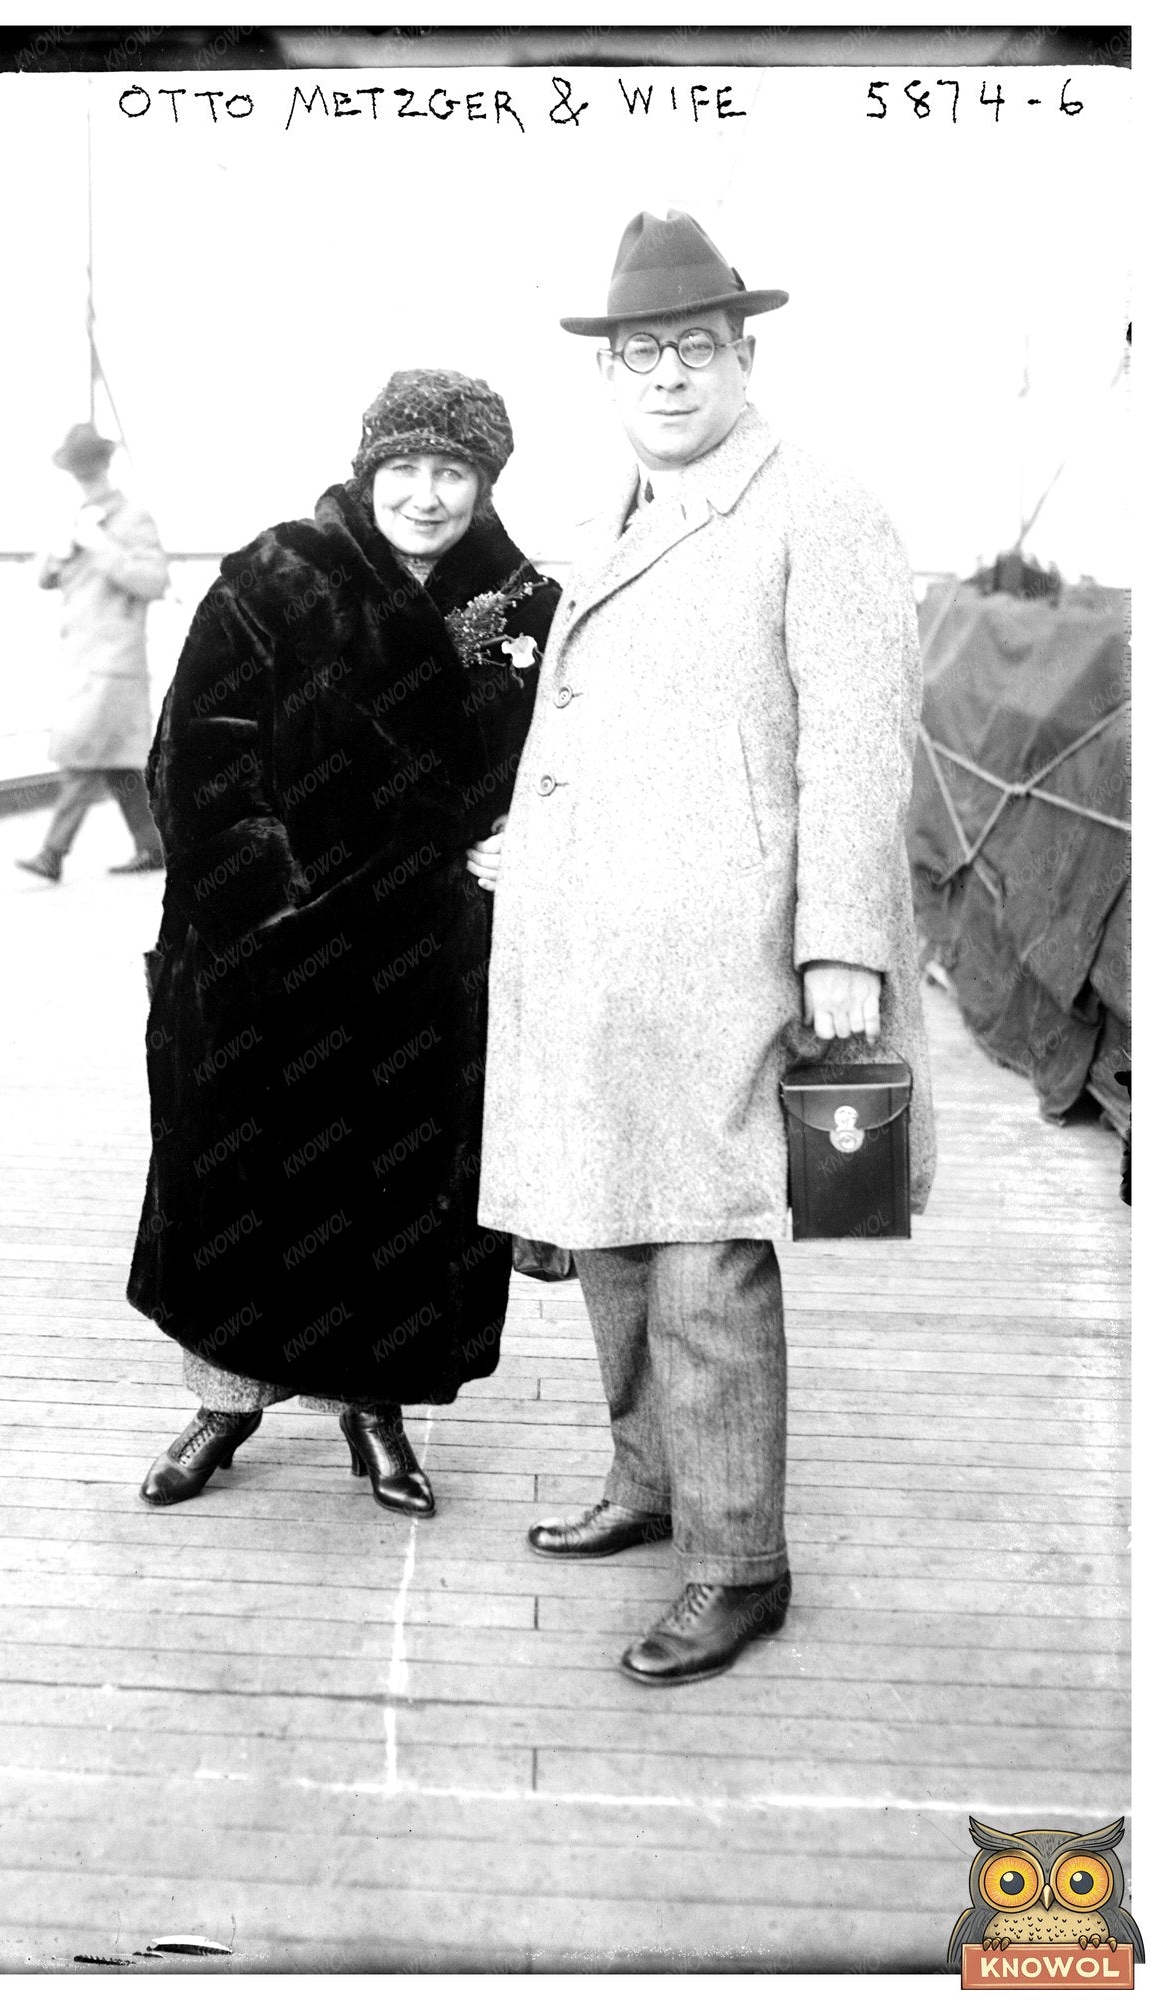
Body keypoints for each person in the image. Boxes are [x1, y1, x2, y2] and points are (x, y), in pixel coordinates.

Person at [479, 210, 936, 1683]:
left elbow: (859, 749)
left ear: (743, 356)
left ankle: (738, 1564)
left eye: (690, 349)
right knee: (609, 1223)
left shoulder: (819, 505)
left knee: (704, 1257)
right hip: (594, 949)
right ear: (607, 378)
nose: (664, 378)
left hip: (728, 948)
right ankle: (649, 1483)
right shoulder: (624, 507)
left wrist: (841, 951)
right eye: (636, 356)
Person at [128, 369, 559, 1516]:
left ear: (485, 482)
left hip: (429, 963)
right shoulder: (274, 579)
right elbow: (200, 758)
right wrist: (274, 908)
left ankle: (377, 1412)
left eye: (453, 470)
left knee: (397, 1190)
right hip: (264, 955)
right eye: (405, 468)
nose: (426, 495)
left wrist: (531, 839)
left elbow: (574, 764)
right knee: (238, 1179)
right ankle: (223, 1401)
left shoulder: (524, 606)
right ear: (369, 470)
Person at [17, 422, 170, 882]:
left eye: (88, 466)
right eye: (76, 469)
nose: (83, 476)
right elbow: (43, 579)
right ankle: (153, 848)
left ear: (103, 465)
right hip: (83, 659)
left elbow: (153, 581)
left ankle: (52, 853)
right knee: (118, 763)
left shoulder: (132, 517)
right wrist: (59, 552)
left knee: (83, 755)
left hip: (115, 660)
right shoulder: (75, 517)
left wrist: (100, 547)